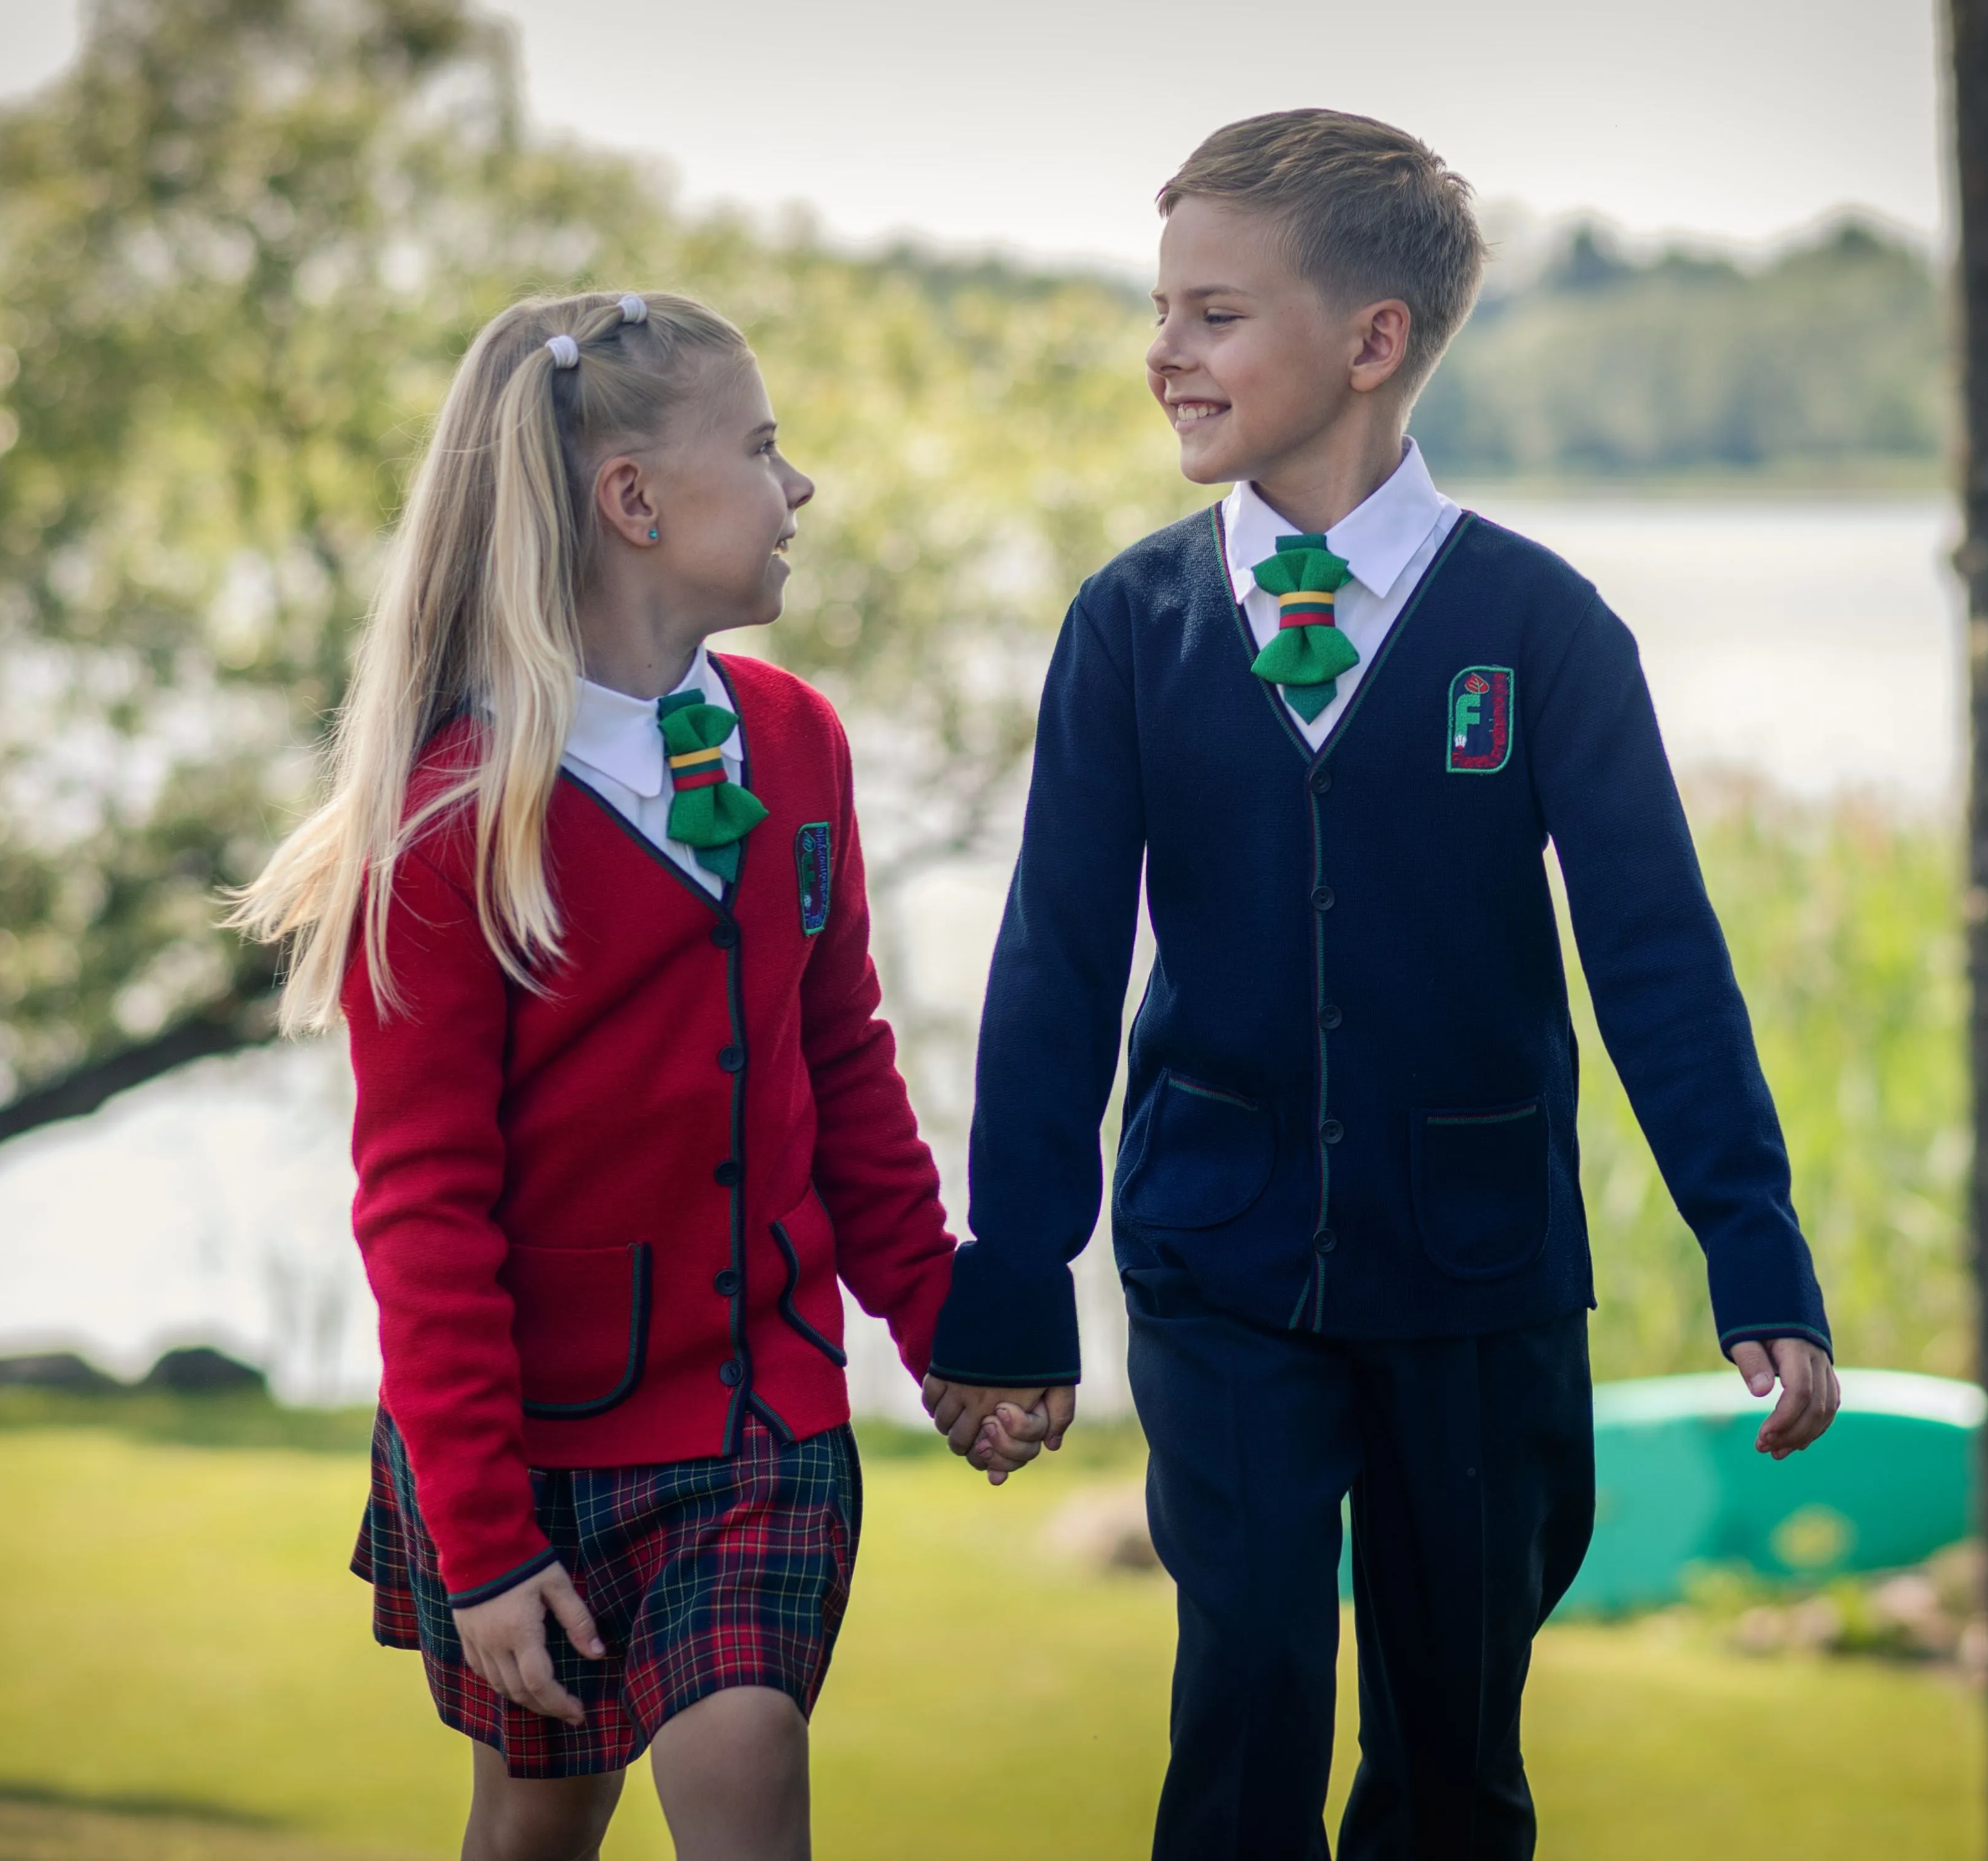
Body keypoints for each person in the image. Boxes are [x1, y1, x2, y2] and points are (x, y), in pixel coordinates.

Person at [922, 112, 1843, 1860]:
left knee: (1453, 1765)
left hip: (1482, 1273)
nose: (1163, 354)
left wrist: (1757, 1248)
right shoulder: (1130, 627)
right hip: (1216, 1253)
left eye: (1213, 314)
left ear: (1372, 342)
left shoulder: (1544, 627)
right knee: (1251, 1691)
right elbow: (1054, 958)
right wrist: (1015, 1283)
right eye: (1163, 307)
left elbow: (1658, 956)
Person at [232, 290, 971, 1861]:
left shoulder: (798, 744)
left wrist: (943, 1327)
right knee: (533, 1827)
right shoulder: (447, 829)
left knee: (745, 1749)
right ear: (631, 502)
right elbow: (423, 1209)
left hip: (763, 1421)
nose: (801, 488)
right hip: (530, 1452)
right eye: (765, 450)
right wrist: (485, 1551)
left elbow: (843, 1067)